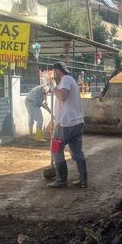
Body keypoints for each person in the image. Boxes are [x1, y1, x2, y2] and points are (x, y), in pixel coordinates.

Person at [48, 61, 87, 189]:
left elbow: (63, 96)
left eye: (54, 72)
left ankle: (61, 180)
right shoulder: (71, 80)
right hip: (76, 122)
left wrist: (53, 87)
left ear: (57, 71)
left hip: (66, 123)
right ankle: (83, 180)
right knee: (77, 152)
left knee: (56, 150)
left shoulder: (64, 79)